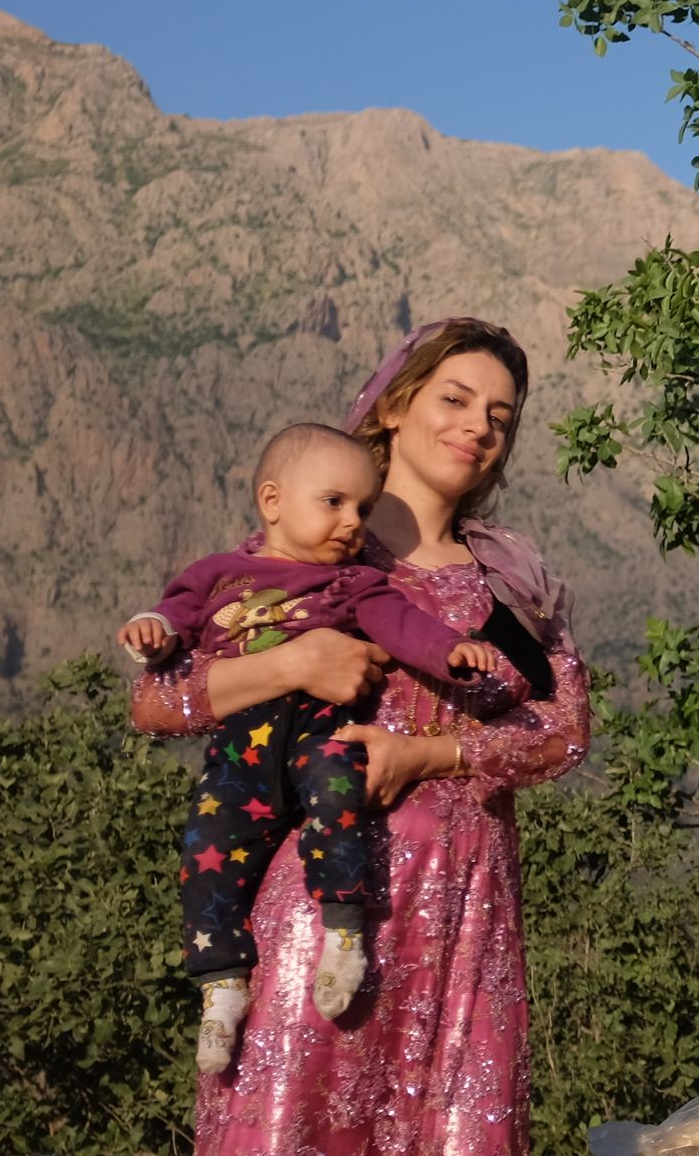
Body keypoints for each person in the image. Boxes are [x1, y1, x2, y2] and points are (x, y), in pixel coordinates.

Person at [134, 319, 589, 1156]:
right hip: (320, 899)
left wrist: (433, 756)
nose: (477, 425)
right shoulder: (312, 543)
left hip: (468, 908)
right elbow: (158, 704)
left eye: (501, 411)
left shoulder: (512, 575)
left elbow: (564, 729)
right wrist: (288, 663)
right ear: (394, 401)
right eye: (456, 396)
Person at [119, 421, 519, 1073]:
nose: (351, 522)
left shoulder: (356, 586)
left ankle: (343, 931)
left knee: (339, 794)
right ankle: (220, 982)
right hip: (242, 748)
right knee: (208, 851)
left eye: (361, 509)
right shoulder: (220, 574)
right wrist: (153, 632)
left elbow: (405, 628)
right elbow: (176, 625)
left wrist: (452, 653)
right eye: (333, 502)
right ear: (273, 501)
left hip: (317, 731)